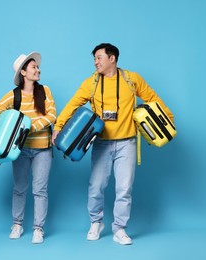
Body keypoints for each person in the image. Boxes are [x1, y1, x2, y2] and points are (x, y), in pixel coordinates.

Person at [52, 43, 174, 245]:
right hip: (102, 144)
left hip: (127, 143)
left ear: (112, 59)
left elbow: (153, 98)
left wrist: (167, 118)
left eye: (99, 57)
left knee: (124, 189)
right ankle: (96, 222)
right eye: (94, 58)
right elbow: (73, 103)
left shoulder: (132, 79)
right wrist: (58, 126)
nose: (95, 62)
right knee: (96, 186)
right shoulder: (91, 83)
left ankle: (119, 229)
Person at [0, 52, 57, 244]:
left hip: (43, 149)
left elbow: (52, 116)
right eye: (33, 67)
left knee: (40, 190)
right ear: (23, 72)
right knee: (19, 188)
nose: (37, 70)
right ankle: (17, 224)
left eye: (37, 67)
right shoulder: (13, 96)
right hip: (20, 150)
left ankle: (38, 229)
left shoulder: (45, 91)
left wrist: (28, 126)